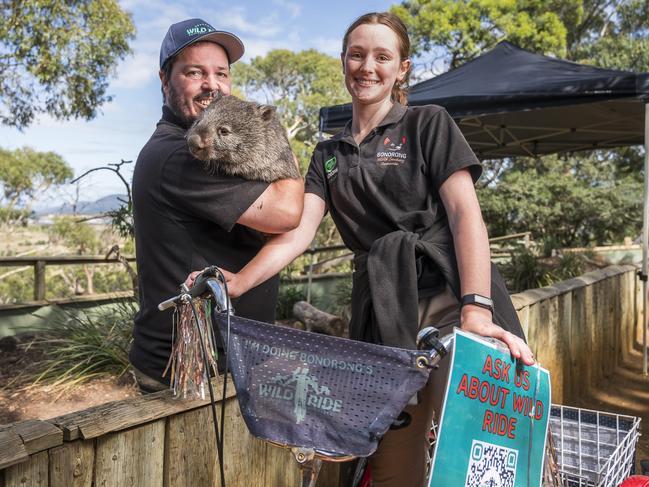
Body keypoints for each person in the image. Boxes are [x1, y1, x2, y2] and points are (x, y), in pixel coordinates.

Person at [194, 12, 534, 487]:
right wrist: (240, 279)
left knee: (480, 452)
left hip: (450, 293)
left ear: (403, 68)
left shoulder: (427, 124)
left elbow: (464, 215)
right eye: (357, 54)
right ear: (343, 61)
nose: (367, 66)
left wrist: (476, 308)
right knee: (393, 457)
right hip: (382, 310)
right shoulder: (327, 155)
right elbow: (298, 231)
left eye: (382, 56)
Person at [130, 18, 303, 393]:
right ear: (165, 79)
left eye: (221, 73)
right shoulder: (181, 154)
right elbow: (288, 212)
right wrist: (288, 158)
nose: (212, 85)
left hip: (226, 363)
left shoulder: (207, 146)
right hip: (191, 374)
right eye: (195, 72)